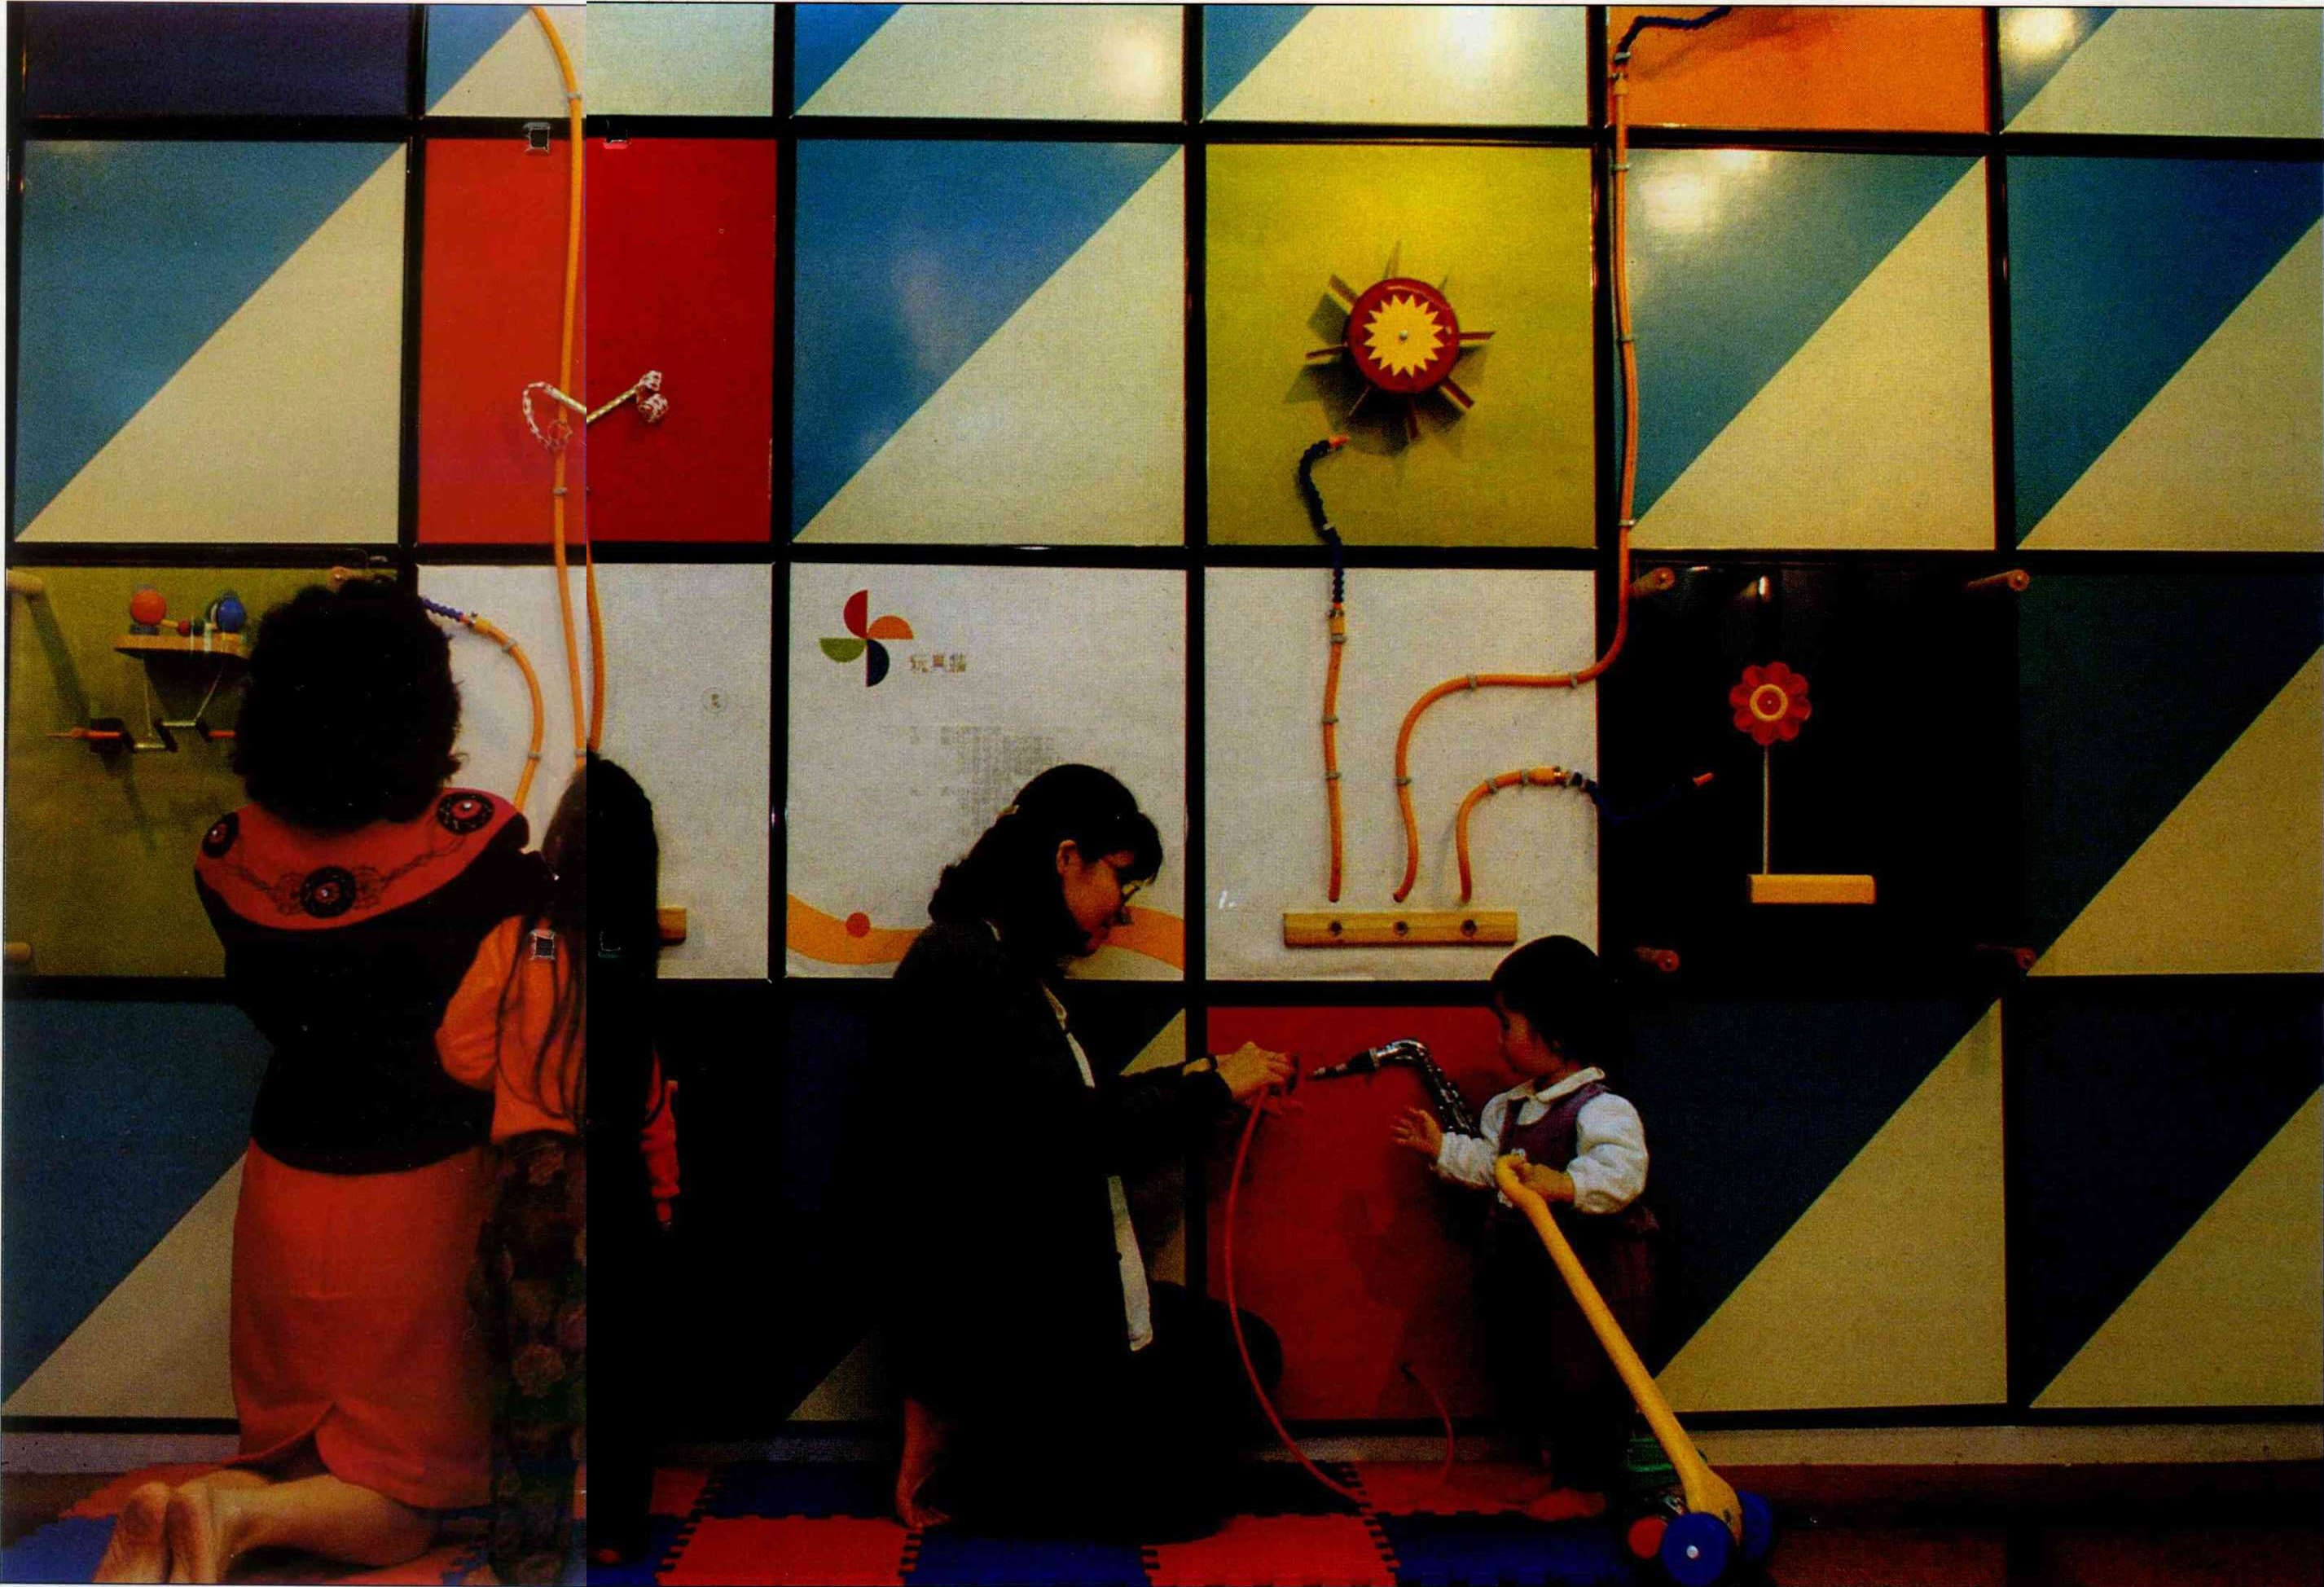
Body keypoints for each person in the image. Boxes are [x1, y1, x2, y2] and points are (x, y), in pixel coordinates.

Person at [98, 580, 547, 1584]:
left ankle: (200, 1510)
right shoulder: (480, 842)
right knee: (407, 1495)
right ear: (424, 708)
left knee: (298, 1446)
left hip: (286, 1184)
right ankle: (227, 1515)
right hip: (425, 1194)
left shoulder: (229, 857)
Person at [876, 763, 1295, 1541]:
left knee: (1241, 1353)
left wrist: (1198, 1078)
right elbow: (1070, 1130)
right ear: (1066, 859)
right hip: (1019, 1330)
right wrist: (1209, 1088)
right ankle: (992, 1468)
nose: (1122, 910)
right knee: (1184, 1509)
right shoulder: (969, 965)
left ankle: (1017, 1464)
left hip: (1050, 1308)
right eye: (1120, 881)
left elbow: (1063, 1106)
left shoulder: (992, 959)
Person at [435, 755, 679, 1584]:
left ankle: (529, 1547)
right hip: (614, 1173)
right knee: (622, 1366)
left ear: (563, 843)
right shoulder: (628, 948)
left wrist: (517, 1080)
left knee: (533, 1376)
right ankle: (615, 1530)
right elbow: (647, 1087)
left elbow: (459, 1049)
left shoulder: (516, 939)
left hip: (533, 1184)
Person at [1390, 935, 1656, 1523]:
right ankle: (1555, 1466)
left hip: (1591, 1277)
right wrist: (1442, 1149)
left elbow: (1621, 1174)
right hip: (1531, 1277)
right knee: (1537, 1373)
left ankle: (1588, 1483)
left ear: (1555, 1035)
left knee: (1588, 1378)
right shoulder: (1509, 1108)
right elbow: (1493, 1167)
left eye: (1506, 1025)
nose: (1498, 1039)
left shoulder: (1600, 1108)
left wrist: (1566, 1183)